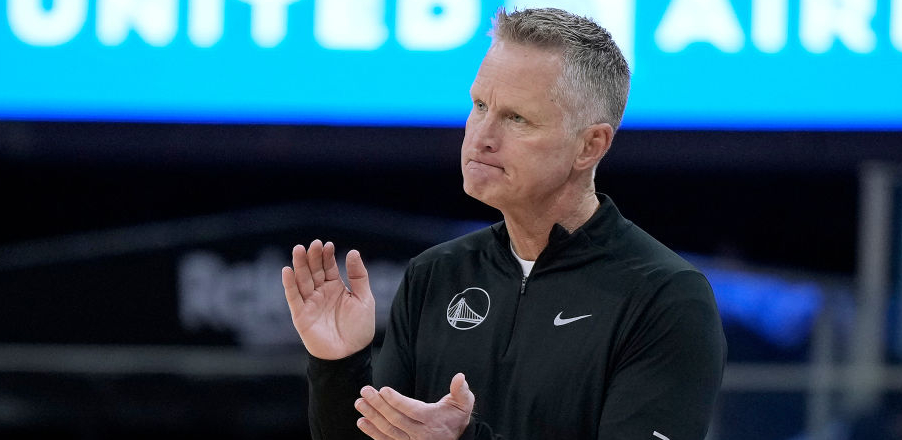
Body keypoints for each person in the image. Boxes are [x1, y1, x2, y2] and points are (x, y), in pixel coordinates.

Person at [281, 7, 726, 440]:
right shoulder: (435, 274)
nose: (481, 137)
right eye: (479, 105)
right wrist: (338, 363)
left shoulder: (665, 297)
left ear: (590, 146)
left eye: (516, 118)